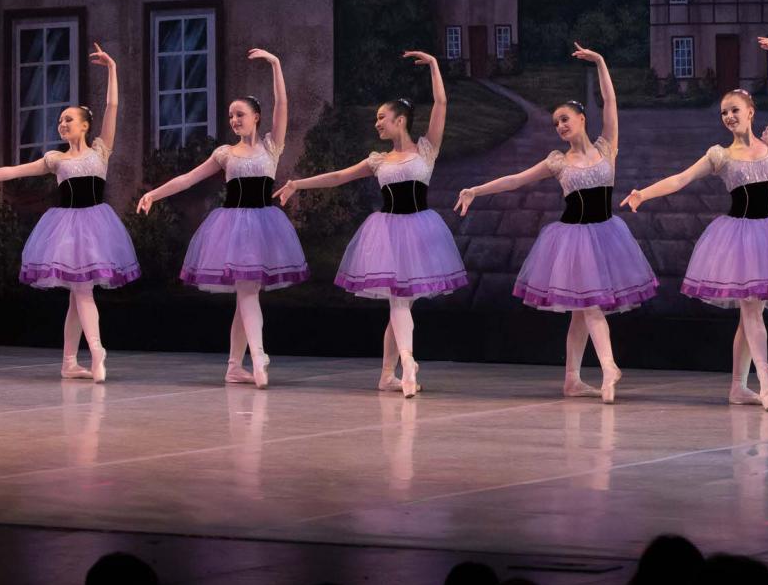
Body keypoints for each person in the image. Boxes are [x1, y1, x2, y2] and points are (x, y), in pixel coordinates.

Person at [620, 38, 768, 407]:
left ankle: (738, 387)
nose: (728, 116)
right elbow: (681, 178)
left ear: (750, 112)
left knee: (750, 314)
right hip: (739, 238)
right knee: (752, 309)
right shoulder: (720, 155)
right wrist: (643, 194)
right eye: (723, 112)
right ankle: (766, 379)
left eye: (734, 110)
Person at [456, 44, 656, 403]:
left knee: (582, 313)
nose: (560, 126)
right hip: (572, 241)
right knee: (590, 306)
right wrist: (476, 190)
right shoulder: (557, 162)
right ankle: (609, 366)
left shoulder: (606, 147)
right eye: (556, 123)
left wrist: (601, 62)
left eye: (565, 119)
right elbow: (516, 179)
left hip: (606, 236)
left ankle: (572, 380)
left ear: (582, 119)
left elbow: (610, 103)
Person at [275, 52, 467, 397]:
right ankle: (407, 364)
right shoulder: (378, 160)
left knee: (401, 305)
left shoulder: (426, 150)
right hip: (387, 235)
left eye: (382, 118)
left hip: (420, 233)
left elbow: (441, 103)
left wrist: (435, 66)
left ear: (401, 120)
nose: (376, 123)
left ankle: (387, 375)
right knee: (398, 302)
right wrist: (297, 184)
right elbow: (338, 176)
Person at [0, 44, 138, 382]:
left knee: (79, 295)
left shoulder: (101, 151)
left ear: (85, 126)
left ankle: (74, 360)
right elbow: (12, 171)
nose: (62, 124)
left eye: (69, 119)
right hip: (67, 229)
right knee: (80, 292)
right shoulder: (56, 159)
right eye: (60, 120)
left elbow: (112, 107)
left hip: (95, 227)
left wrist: (112, 69)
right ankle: (94, 352)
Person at [137, 49, 306, 388]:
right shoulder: (225, 153)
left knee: (246, 295)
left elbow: (283, 104)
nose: (234, 120)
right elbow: (188, 178)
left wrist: (276, 64)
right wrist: (155, 193)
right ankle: (258, 356)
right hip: (233, 229)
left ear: (256, 117)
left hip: (263, 226)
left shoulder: (271, 146)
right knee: (247, 292)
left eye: (240, 114)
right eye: (231, 116)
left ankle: (234, 366)